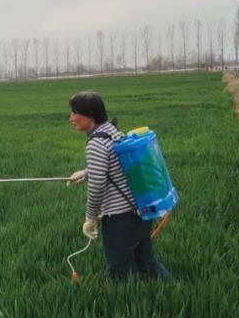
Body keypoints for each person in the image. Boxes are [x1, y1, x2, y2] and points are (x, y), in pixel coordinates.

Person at [68, 91, 171, 281]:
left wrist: (90, 217)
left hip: (120, 219)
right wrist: (88, 172)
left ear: (89, 116)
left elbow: (97, 186)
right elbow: (115, 164)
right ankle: (172, 292)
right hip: (139, 210)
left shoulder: (95, 143)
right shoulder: (112, 131)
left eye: (74, 113)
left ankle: (127, 307)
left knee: (119, 271)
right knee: (146, 262)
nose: (71, 118)